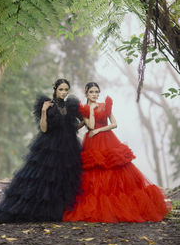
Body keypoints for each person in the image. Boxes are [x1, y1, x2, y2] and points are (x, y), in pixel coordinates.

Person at [63, 82, 171, 222]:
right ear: (86, 93)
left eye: (97, 92)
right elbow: (89, 126)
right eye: (92, 92)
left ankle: (123, 205)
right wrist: (91, 110)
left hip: (108, 139)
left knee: (116, 168)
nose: (95, 94)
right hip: (92, 143)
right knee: (95, 171)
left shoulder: (105, 105)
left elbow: (114, 124)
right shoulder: (83, 109)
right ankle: (99, 207)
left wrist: (99, 129)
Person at [0, 79, 82, 224]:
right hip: (50, 146)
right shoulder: (47, 105)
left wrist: (73, 129)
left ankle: (59, 211)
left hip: (68, 146)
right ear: (55, 90)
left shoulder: (70, 106)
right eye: (61, 89)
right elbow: (44, 129)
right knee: (46, 179)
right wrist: (43, 111)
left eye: (66, 90)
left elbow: (81, 121)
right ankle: (42, 211)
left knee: (63, 179)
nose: (64, 92)